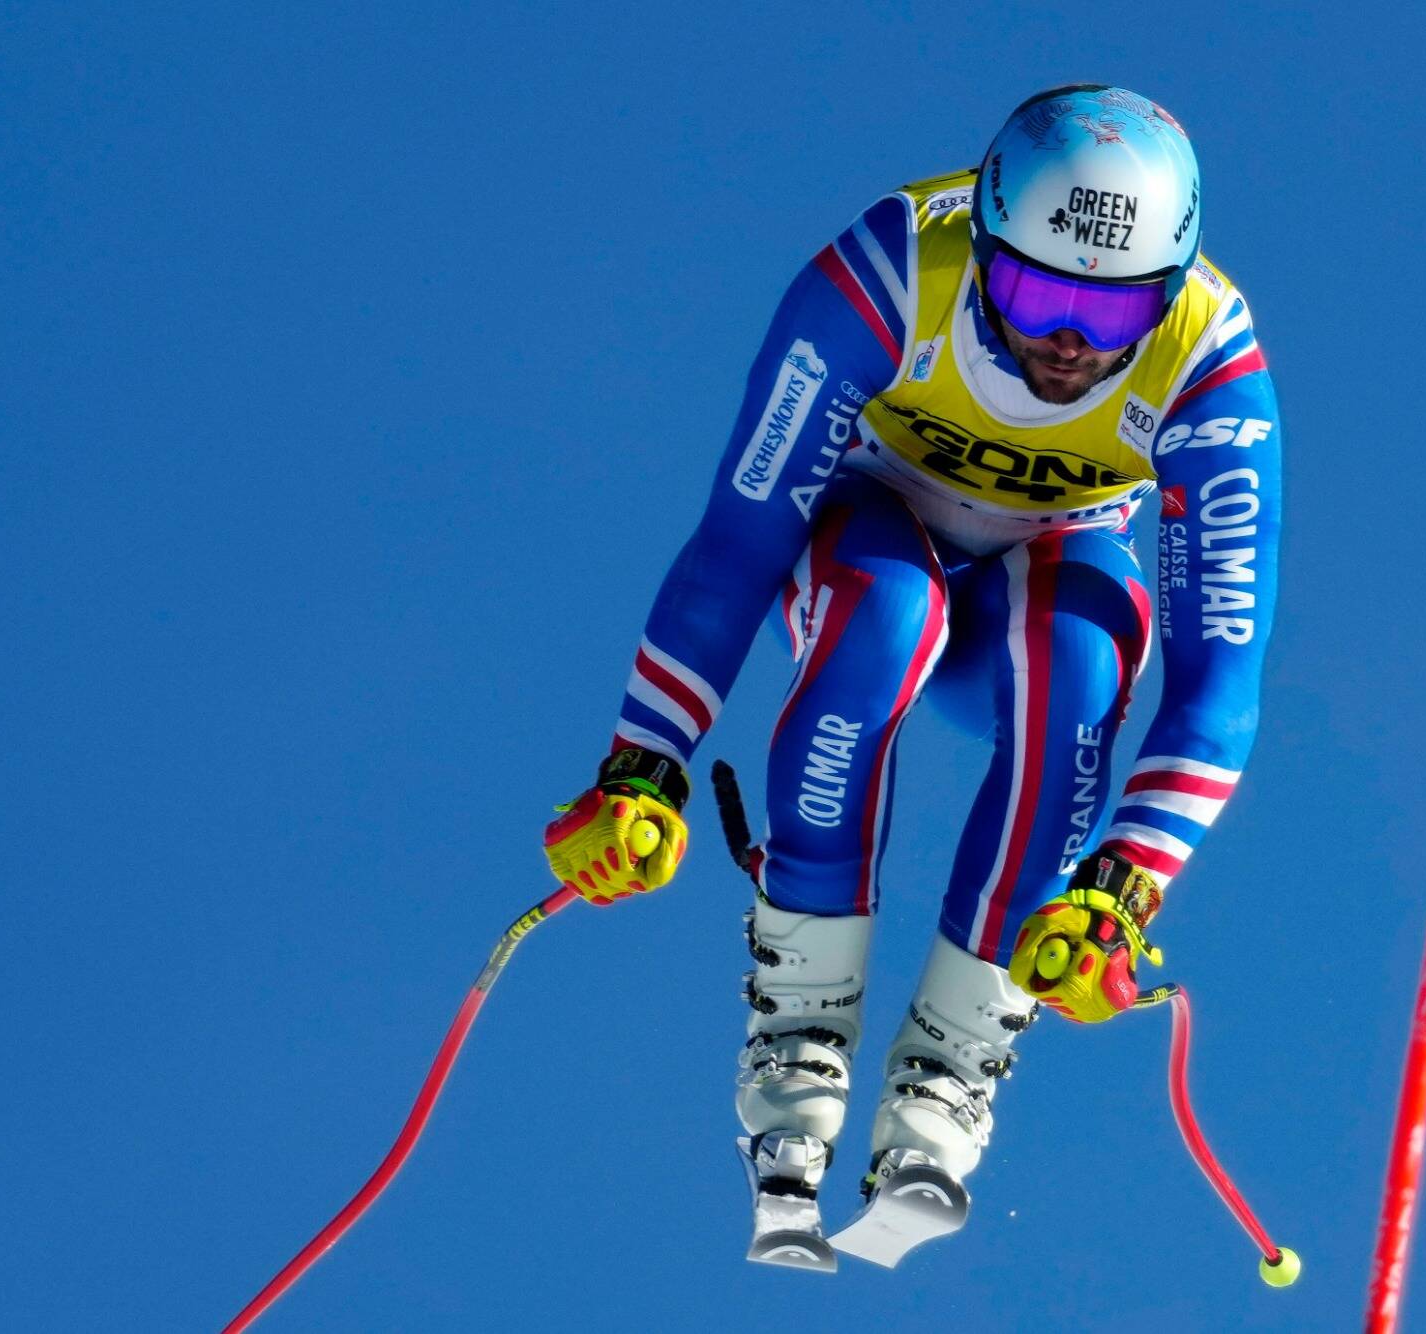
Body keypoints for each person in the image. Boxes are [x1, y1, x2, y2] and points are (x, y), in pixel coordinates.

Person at [542, 84, 1281, 1271]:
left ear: (1171, 287)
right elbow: (738, 540)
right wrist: (643, 764)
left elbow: (1218, 676)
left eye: (1114, 309)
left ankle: (955, 1057)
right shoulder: (889, 275)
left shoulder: (1206, 362)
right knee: (883, 615)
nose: (1072, 343)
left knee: (1080, 657)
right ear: (984, 247)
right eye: (1040, 292)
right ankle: (798, 1028)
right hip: (865, 526)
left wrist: (1124, 886)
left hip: (1039, 569)